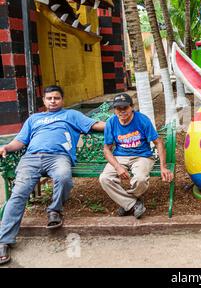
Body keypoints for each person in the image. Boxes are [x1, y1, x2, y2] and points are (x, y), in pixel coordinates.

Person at [0, 85, 105, 265]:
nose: (53, 101)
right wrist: (6, 147)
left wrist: (122, 122)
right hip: (31, 159)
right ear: (44, 101)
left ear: (62, 99)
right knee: (19, 194)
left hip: (58, 157)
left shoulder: (71, 115)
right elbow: (20, 141)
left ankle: (54, 210)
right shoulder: (34, 119)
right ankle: (4, 241)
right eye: (49, 98)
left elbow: (96, 125)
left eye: (56, 98)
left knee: (64, 178)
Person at [99, 93, 173, 219]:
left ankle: (126, 202)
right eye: (118, 108)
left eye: (125, 108)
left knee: (140, 179)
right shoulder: (111, 122)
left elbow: (158, 142)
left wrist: (163, 167)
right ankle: (133, 203)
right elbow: (107, 149)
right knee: (104, 178)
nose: (122, 112)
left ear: (131, 107)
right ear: (114, 110)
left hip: (142, 156)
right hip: (120, 157)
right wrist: (117, 167)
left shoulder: (142, 120)